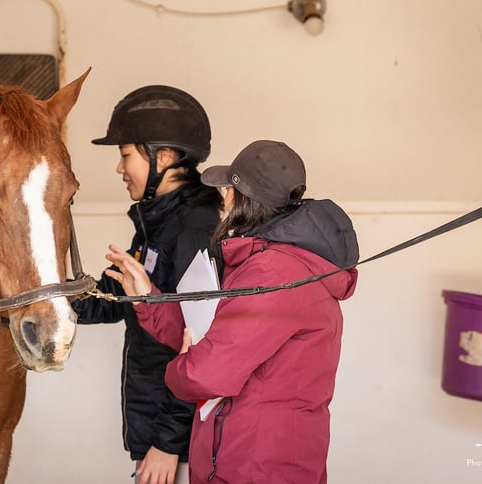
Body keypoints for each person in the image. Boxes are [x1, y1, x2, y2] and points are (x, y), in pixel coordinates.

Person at [105, 140, 359, 484]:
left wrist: (178, 368)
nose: (223, 197)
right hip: (250, 459)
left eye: (228, 188)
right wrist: (145, 298)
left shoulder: (275, 272)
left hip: (256, 467)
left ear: (242, 198)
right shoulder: (272, 262)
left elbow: (205, 373)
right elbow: (209, 332)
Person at [71, 85, 223, 484]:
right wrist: (46, 294)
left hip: (176, 443)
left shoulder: (193, 231)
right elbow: (111, 301)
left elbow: (199, 346)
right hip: (154, 429)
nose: (120, 169)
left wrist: (168, 444)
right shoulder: (154, 226)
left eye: (125, 156)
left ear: (165, 157)